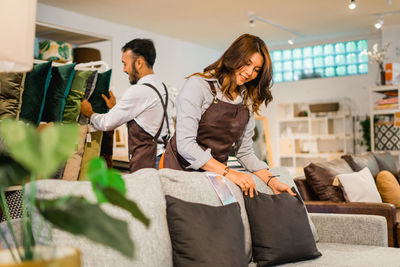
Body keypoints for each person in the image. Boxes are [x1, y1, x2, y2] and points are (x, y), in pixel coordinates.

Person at [162, 33, 294, 198]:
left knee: (226, 220)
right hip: (181, 173)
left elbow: (244, 152)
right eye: (247, 63)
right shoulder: (198, 86)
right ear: (234, 57)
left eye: (256, 70)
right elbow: (185, 145)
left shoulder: (246, 101)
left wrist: (273, 181)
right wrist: (230, 173)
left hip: (216, 176)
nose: (249, 73)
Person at [81, 38, 173, 172]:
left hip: (149, 164)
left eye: (125, 64)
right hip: (166, 160)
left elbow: (106, 123)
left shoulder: (138, 91)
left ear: (139, 62)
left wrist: (89, 113)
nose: (124, 69)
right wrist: (114, 108)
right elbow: (146, 121)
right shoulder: (164, 88)